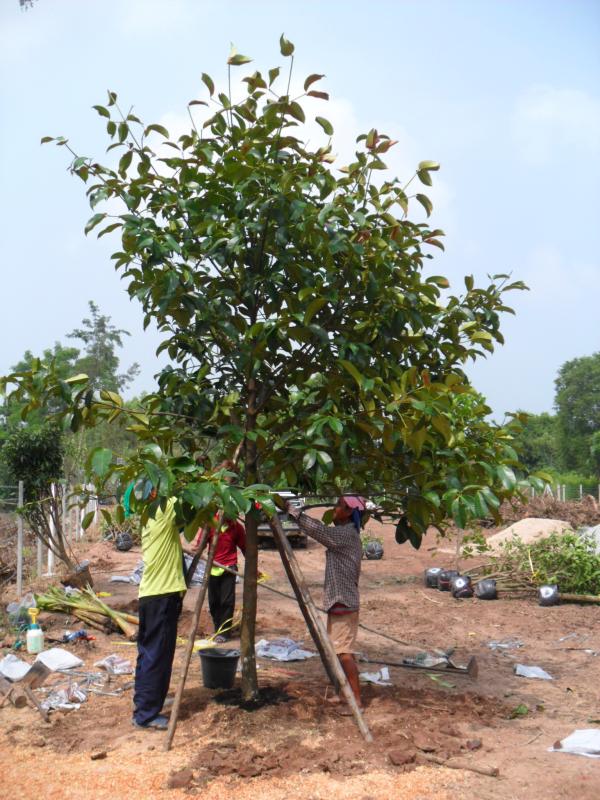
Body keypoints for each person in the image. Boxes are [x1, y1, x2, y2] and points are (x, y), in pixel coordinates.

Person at [287, 495, 366, 711]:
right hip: (338, 603)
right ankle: (343, 693)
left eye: (339, 505)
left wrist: (294, 512)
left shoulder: (345, 535)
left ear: (349, 512)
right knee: (338, 651)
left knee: (344, 652)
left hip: (344, 602)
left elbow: (320, 532)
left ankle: (356, 699)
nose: (334, 508)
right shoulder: (346, 534)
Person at [132, 487, 186, 730]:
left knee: (149, 654)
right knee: (157, 655)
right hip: (162, 596)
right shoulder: (165, 508)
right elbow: (199, 498)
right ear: (152, 493)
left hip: (151, 595)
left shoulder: (148, 514)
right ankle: (146, 714)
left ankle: (146, 705)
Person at [199, 516, 246, 642]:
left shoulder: (236, 527)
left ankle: (224, 632)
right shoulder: (211, 524)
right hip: (212, 568)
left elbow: (245, 547)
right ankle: (217, 628)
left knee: (226, 601)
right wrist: (197, 550)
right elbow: (201, 543)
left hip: (228, 568)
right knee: (214, 601)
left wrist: (254, 567)